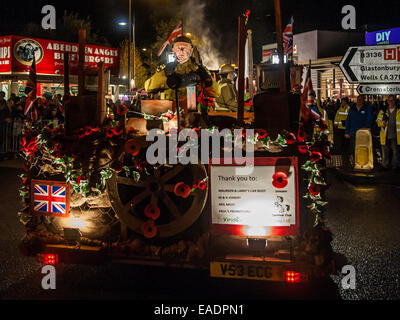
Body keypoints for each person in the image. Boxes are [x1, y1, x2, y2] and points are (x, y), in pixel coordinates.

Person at [144, 35, 220, 116]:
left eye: (185, 47)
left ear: (190, 51)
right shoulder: (166, 69)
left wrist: (206, 78)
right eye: (178, 47)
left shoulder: (198, 69)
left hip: (191, 114)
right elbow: (148, 87)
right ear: (173, 50)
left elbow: (216, 93)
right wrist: (164, 74)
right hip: (169, 114)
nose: (181, 50)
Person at [344, 95, 373, 164]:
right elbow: (348, 121)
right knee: (353, 149)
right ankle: (356, 162)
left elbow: (369, 119)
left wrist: (366, 127)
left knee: (363, 149)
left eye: (361, 99)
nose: (359, 101)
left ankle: (363, 163)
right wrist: (347, 132)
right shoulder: (352, 109)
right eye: (358, 99)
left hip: (363, 134)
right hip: (353, 133)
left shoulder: (367, 109)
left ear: (363, 100)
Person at [376, 95, 400, 170]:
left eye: (392, 100)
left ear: (395, 101)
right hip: (385, 135)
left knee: (396, 152)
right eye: (389, 100)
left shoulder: (398, 111)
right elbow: (377, 121)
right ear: (387, 102)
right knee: (385, 152)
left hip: (396, 135)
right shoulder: (383, 111)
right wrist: (382, 123)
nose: (391, 102)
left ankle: (394, 167)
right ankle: (385, 166)